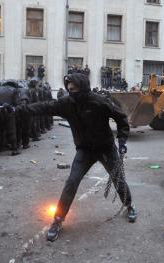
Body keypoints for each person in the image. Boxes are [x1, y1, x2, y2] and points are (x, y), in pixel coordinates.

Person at [24, 73, 137, 242]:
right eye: (69, 90)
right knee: (72, 181)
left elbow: (121, 118)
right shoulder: (67, 103)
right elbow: (45, 107)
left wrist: (121, 141)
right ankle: (58, 219)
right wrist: (19, 110)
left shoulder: (100, 102)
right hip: (84, 150)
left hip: (106, 148)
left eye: (75, 90)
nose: (72, 93)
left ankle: (129, 205)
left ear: (83, 87)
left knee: (118, 179)